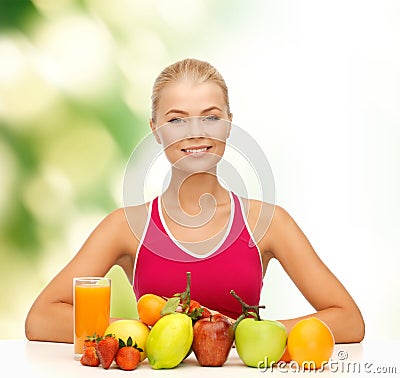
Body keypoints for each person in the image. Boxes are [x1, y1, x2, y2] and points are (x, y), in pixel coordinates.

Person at [25, 58, 364, 344]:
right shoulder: (126, 226)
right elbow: (41, 318)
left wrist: (239, 334)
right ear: (155, 130)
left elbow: (349, 321)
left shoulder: (269, 222)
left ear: (229, 124)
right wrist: (145, 333)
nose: (195, 132)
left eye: (211, 117)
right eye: (176, 120)